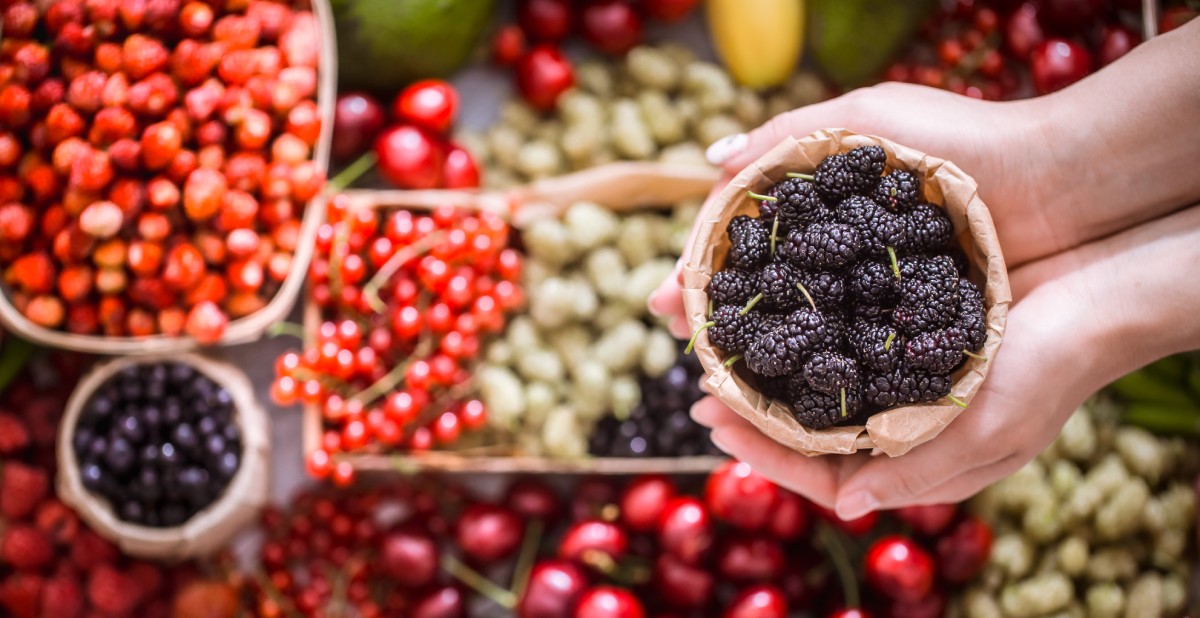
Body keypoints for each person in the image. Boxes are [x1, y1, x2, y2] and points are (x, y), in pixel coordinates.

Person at [649, 19, 1200, 521]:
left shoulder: (886, 279)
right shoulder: (831, 301)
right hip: (855, 300)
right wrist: (1045, 168)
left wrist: (1101, 313)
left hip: (872, 288)